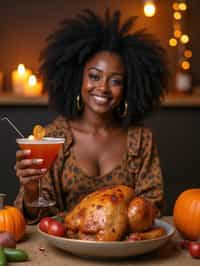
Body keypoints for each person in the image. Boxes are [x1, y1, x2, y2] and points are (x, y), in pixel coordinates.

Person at [14, 9, 168, 224]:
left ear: (127, 88)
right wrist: (31, 189)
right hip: (65, 250)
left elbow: (152, 208)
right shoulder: (54, 138)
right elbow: (39, 220)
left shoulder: (141, 140)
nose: (103, 88)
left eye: (115, 81)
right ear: (78, 78)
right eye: (94, 76)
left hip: (123, 250)